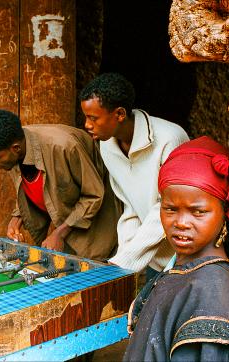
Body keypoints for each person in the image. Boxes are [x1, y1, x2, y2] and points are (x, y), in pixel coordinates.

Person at [123, 136, 229, 361]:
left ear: (225, 212)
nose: (181, 222)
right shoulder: (187, 266)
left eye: (198, 212)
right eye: (170, 209)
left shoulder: (212, 298)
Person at [80, 73, 189, 277]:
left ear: (119, 114)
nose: (87, 124)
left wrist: (125, 261)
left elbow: (170, 207)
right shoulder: (107, 146)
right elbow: (129, 206)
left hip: (184, 257)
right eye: (86, 117)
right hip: (153, 259)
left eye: (93, 118)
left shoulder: (170, 139)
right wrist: (124, 258)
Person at [0, 109, 121, 260]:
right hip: (67, 231)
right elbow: (34, 186)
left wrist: (59, 233)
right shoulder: (14, 151)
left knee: (95, 278)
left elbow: (94, 195)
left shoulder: (65, 147)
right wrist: (17, 217)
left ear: (16, 148)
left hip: (97, 234)